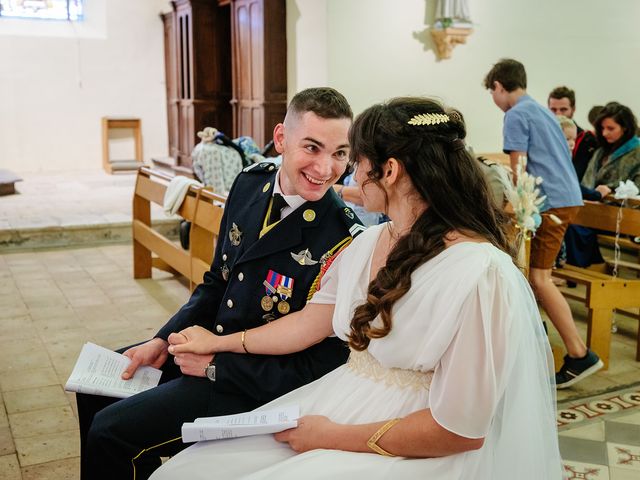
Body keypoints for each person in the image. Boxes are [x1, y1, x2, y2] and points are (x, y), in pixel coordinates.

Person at [150, 97, 563, 480]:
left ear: (390, 171)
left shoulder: (480, 274)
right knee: (190, 469)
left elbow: (461, 432)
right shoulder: (367, 243)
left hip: (409, 441)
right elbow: (310, 322)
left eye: (355, 160)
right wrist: (221, 343)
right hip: (343, 401)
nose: (348, 173)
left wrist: (327, 437)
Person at [76, 87, 365, 480]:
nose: (326, 167)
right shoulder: (250, 183)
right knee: (94, 391)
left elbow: (326, 361)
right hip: (206, 347)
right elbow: (217, 282)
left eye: (340, 153)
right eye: (312, 148)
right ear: (281, 139)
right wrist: (162, 340)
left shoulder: (343, 237)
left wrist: (219, 367)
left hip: (251, 382)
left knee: (111, 433)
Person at [483, 59, 602, 389]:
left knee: (539, 278)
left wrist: (509, 207)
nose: (493, 99)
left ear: (498, 87)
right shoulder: (538, 109)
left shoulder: (516, 114)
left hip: (550, 202)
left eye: (492, 92)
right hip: (565, 197)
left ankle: (579, 354)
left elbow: (520, 171)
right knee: (532, 276)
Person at [566, 102, 640, 266]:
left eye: (611, 128)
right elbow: (587, 180)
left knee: (573, 227)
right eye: (602, 128)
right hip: (590, 208)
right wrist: (592, 194)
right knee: (562, 221)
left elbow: (636, 187)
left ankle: (577, 267)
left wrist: (609, 191)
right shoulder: (600, 151)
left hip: (618, 213)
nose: (605, 133)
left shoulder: (637, 152)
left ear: (625, 128)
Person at [548, 86, 599, 181]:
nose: (558, 114)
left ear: (573, 109)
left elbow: (576, 176)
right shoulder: (542, 136)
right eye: (553, 110)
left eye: (563, 109)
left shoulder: (586, 139)